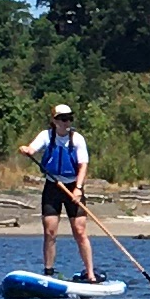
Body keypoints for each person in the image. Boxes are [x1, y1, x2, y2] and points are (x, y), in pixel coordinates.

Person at [29, 102, 100, 283]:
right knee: (50, 231)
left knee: (79, 230)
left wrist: (78, 189)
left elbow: (83, 165)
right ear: (54, 121)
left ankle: (90, 273)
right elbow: (33, 148)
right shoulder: (47, 136)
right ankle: (48, 272)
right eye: (62, 119)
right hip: (53, 186)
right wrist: (27, 150)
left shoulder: (77, 139)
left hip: (73, 187)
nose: (66, 122)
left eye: (69, 119)